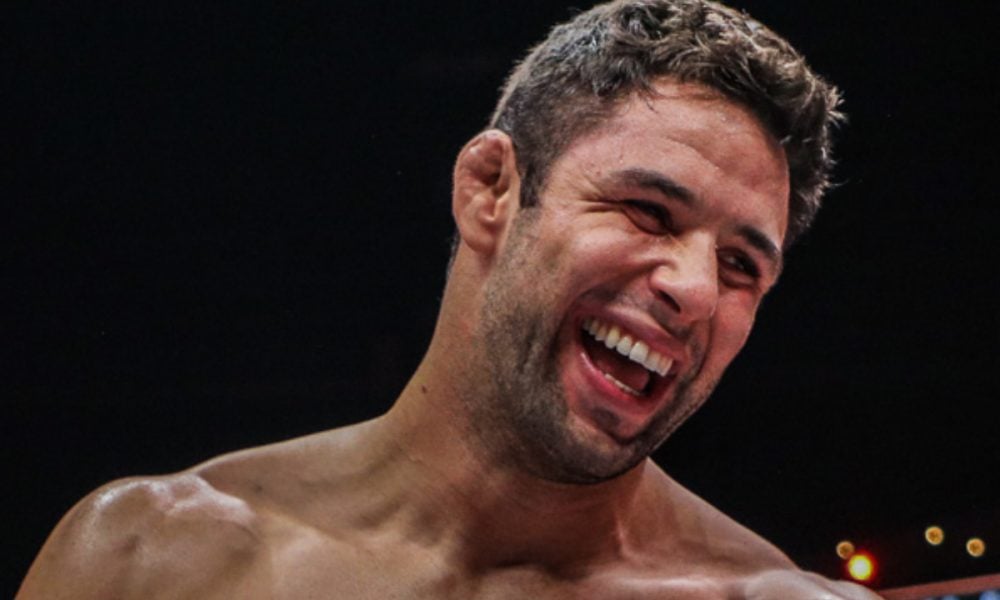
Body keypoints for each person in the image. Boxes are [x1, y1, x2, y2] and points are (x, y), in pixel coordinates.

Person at [19, 0, 882, 597]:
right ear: (491, 190)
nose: (693, 290)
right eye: (647, 212)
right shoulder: (151, 562)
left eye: (741, 267)